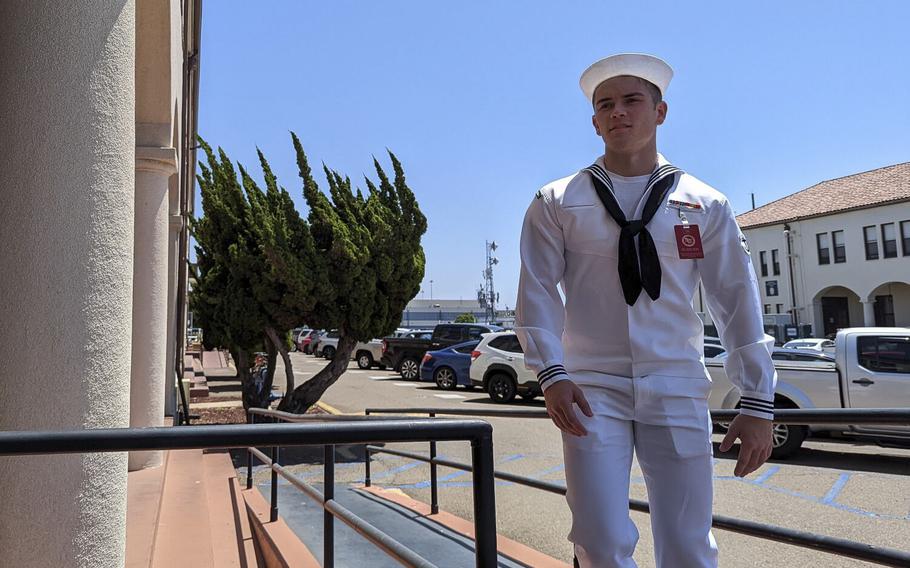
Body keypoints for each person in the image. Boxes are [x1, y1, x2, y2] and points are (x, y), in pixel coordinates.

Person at [515, 53, 777, 568]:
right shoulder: (556, 201)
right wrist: (550, 373)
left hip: (677, 381)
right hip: (591, 387)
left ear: (660, 112)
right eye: (605, 105)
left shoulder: (706, 204)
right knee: (598, 537)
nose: (619, 112)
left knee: (687, 542)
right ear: (594, 122)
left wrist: (757, 400)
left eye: (632, 100)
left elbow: (735, 300)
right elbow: (538, 291)